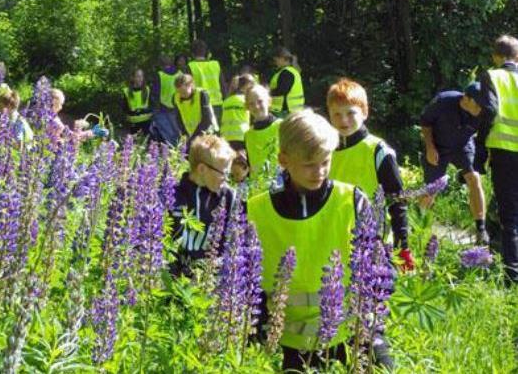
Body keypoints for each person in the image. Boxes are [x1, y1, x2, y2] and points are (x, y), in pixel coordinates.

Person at [247, 110, 389, 370]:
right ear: (284, 160)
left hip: (350, 336)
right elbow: (246, 285)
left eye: (325, 161)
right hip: (282, 343)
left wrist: (374, 328)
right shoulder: (256, 210)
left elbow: (379, 269)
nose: (319, 171)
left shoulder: (352, 200)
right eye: (309, 164)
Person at [326, 78, 414, 270]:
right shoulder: (325, 150)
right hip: (334, 242)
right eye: (337, 114)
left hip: (374, 245)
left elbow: (397, 200)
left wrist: (403, 247)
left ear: (365, 112)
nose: (344, 120)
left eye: (351, 113)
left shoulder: (378, 150)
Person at [419, 83, 489, 244]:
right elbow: (425, 122)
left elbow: (485, 136)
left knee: (474, 178)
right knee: (432, 189)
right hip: (438, 146)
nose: (480, 109)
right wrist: (430, 147)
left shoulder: (484, 111)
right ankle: (419, 225)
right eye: (477, 104)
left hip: (463, 145)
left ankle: (481, 230)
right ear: (466, 99)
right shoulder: (444, 101)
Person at [475, 34, 518, 284]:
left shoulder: (492, 76)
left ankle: (512, 275)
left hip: (504, 152)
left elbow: (489, 111)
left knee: (510, 215)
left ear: (495, 56)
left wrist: (480, 144)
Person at [170, 134, 237, 276]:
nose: (226, 179)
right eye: (223, 173)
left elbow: (230, 242)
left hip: (208, 279)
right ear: (202, 169)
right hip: (174, 278)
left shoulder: (228, 197)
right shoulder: (174, 194)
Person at [244, 84, 282, 179]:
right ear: (247, 107)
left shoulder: (281, 127)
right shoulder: (248, 135)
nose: (256, 106)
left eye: (260, 101)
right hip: (257, 191)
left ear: (269, 101)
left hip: (280, 188)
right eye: (251, 104)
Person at [188, 39, 225, 124]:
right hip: (217, 103)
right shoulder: (215, 64)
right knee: (217, 133)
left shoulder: (191, 66)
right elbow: (223, 85)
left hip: (200, 105)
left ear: (192, 53)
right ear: (206, 52)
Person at [172, 74, 217, 143]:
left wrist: (194, 137)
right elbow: (178, 118)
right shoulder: (175, 97)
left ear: (190, 85)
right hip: (191, 134)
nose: (181, 94)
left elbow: (207, 119)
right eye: (179, 92)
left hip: (207, 132)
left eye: (183, 91)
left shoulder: (201, 94)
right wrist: (184, 134)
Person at [221, 74, 255, 151]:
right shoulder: (246, 100)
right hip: (242, 136)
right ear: (246, 85)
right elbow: (255, 119)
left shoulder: (227, 101)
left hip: (225, 138)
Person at [269, 47, 305, 117]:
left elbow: (282, 90)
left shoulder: (286, 73)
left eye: (276, 60)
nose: (275, 62)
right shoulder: (293, 71)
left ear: (282, 58)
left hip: (284, 110)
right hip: (293, 110)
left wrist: (267, 92)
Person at [121, 68, 153, 134]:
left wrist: (147, 110)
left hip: (146, 122)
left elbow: (152, 104)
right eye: (138, 76)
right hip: (133, 122)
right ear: (133, 78)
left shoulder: (147, 89)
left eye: (142, 76)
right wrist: (131, 112)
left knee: (148, 142)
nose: (140, 78)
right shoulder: (126, 91)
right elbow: (124, 108)